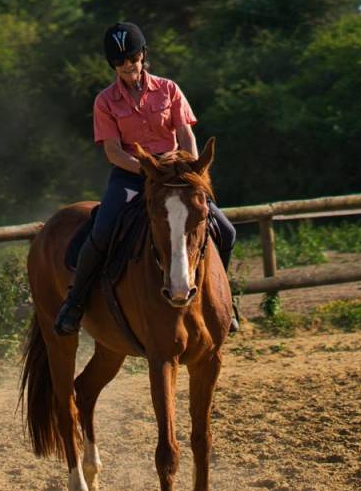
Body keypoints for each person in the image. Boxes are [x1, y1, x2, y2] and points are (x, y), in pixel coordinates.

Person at [53, 21, 237, 336]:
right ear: (112, 64)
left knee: (227, 230)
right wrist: (148, 171)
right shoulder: (105, 101)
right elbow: (113, 152)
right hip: (131, 175)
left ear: (143, 56)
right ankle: (75, 302)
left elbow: (185, 134)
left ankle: (223, 300)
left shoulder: (169, 89)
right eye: (120, 61)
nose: (128, 65)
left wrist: (190, 168)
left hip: (177, 177)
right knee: (103, 229)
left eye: (133, 58)